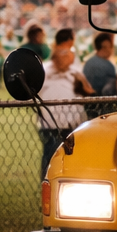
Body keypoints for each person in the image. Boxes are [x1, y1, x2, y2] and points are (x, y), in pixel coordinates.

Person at [37, 36, 94, 178]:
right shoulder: (44, 71)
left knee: (72, 160)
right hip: (50, 125)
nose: (65, 58)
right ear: (55, 56)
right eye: (61, 55)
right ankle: (48, 186)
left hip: (73, 125)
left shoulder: (75, 73)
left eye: (68, 55)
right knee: (50, 158)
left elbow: (89, 92)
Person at [83, 32, 117, 97]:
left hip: (88, 104)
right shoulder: (108, 66)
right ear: (105, 46)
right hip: (103, 104)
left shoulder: (88, 63)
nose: (111, 50)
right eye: (111, 46)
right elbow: (110, 92)